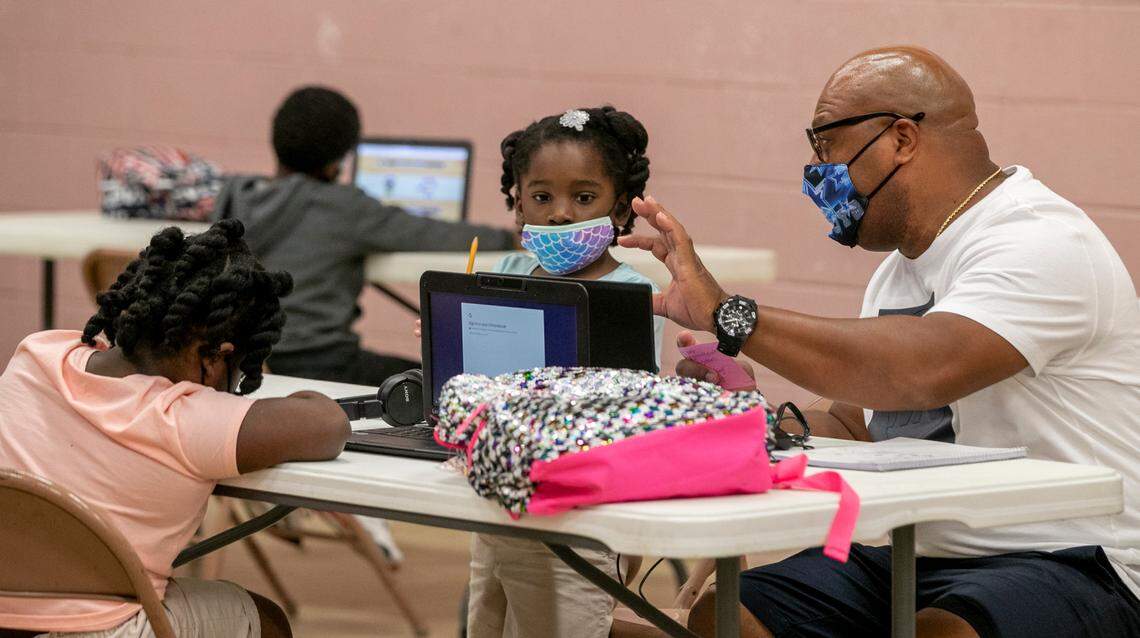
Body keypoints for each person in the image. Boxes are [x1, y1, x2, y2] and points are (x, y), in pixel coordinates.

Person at [619, 47, 1140, 637]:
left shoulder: (1039, 239)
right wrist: (750, 421)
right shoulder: (899, 271)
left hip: (1069, 555)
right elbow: (868, 424)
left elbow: (925, 367)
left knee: (940, 630)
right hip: (912, 554)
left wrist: (730, 315)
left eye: (826, 147)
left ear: (901, 139)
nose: (817, 174)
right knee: (728, 617)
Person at [0, 220, 351, 637]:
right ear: (215, 358)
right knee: (266, 620)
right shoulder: (189, 421)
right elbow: (329, 424)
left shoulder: (38, 354)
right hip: (98, 628)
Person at [415, 106, 662, 638]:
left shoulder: (635, 295)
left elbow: (646, 405)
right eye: (542, 197)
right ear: (518, 201)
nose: (560, 214)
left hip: (580, 514)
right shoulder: (500, 274)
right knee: (487, 619)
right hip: (494, 491)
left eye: (584, 196)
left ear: (619, 208)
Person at [214, 85, 516, 386]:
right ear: (336, 162)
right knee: (448, 382)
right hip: (320, 362)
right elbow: (428, 233)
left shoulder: (235, 196)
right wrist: (512, 238)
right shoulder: (341, 206)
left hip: (248, 361)